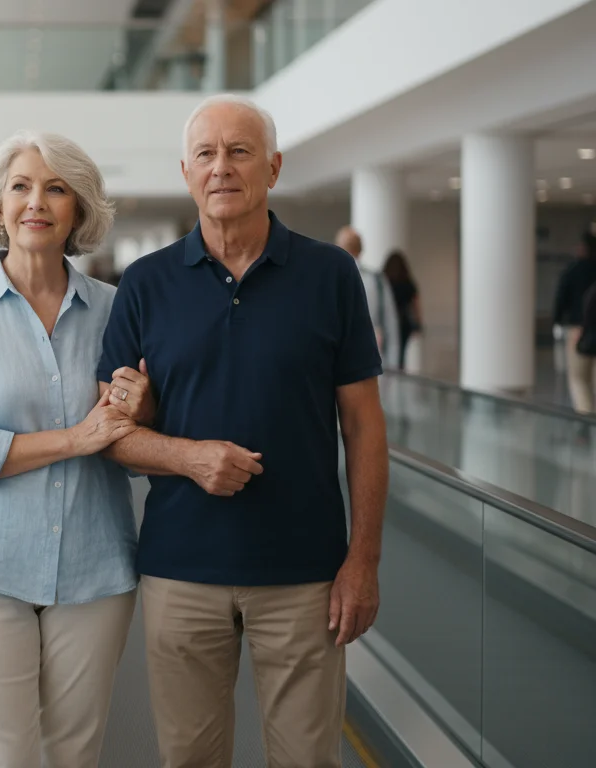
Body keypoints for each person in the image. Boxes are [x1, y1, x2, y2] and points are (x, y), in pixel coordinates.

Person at [98, 94, 388, 768]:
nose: (221, 167)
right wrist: (188, 456)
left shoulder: (331, 275)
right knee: (190, 759)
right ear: (186, 171)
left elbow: (365, 428)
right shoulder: (144, 285)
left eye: (239, 151)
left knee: (307, 760)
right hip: (180, 571)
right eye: (206, 154)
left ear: (274, 168)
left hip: (306, 575)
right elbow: (108, 433)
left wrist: (363, 561)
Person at [0, 130, 153, 768]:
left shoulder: (117, 309)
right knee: (3, 758)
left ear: (79, 209)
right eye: (20, 186)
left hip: (95, 564)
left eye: (56, 188)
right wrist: (77, 437)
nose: (35, 202)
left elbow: (132, 431)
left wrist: (140, 410)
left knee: (75, 756)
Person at [336, 225, 400, 370]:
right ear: (361, 249)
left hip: (340, 363)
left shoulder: (330, 280)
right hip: (373, 360)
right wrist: (393, 364)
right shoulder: (376, 281)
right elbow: (390, 323)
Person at [553, 232, 596, 413]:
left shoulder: (573, 270)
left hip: (579, 329)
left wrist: (558, 321)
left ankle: (586, 418)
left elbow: (561, 298)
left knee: (578, 378)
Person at [381, 250, 423, 372]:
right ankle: (398, 371)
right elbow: (416, 305)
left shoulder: (384, 282)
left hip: (387, 322)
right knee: (401, 353)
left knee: (386, 351)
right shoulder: (407, 283)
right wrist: (418, 324)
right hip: (403, 322)